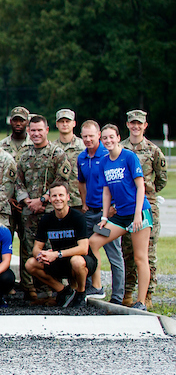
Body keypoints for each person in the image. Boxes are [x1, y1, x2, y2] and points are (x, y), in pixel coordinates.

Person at [88, 124, 154, 310]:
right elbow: (107, 191)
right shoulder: (104, 162)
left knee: (140, 257)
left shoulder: (129, 157)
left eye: (112, 137)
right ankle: (97, 286)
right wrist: (104, 216)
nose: (108, 141)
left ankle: (141, 302)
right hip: (120, 215)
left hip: (139, 213)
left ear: (118, 138)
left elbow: (141, 187)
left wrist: (137, 216)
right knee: (94, 241)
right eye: (105, 138)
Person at [13, 114, 76, 301]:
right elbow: (18, 182)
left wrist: (43, 200)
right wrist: (27, 202)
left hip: (51, 211)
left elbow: (61, 181)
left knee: (51, 249)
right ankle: (33, 289)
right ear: (28, 132)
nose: (36, 134)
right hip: (29, 212)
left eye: (40, 130)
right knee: (29, 249)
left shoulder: (57, 154)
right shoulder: (23, 156)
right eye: (33, 130)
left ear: (47, 130)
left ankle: (55, 290)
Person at [121, 109, 165, 304]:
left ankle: (147, 294)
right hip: (126, 207)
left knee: (148, 252)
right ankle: (128, 292)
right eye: (133, 123)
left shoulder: (153, 150)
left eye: (139, 123)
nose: (136, 126)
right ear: (128, 125)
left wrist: (149, 193)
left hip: (148, 207)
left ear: (145, 126)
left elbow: (161, 179)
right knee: (128, 251)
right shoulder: (120, 148)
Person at [25, 185, 94, 309]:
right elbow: (36, 248)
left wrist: (56, 254)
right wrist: (42, 255)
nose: (58, 199)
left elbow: (84, 248)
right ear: (50, 199)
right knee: (30, 263)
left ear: (68, 197)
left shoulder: (78, 217)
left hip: (81, 261)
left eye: (61, 195)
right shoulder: (47, 219)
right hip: (59, 261)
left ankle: (81, 292)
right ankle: (63, 291)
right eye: (54, 196)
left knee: (76, 261)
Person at [77, 120, 123, 303]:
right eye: (85, 136)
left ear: (99, 136)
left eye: (92, 136)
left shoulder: (107, 156)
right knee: (87, 249)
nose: (88, 139)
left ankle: (118, 295)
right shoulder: (81, 157)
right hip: (90, 212)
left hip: (108, 215)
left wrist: (113, 207)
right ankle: (94, 288)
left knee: (113, 253)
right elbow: (81, 181)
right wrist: (84, 202)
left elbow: (115, 183)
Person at [53, 109, 84, 210]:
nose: (64, 124)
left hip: (79, 200)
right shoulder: (52, 149)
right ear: (57, 124)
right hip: (57, 202)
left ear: (74, 123)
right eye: (61, 122)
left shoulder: (83, 146)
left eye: (68, 121)